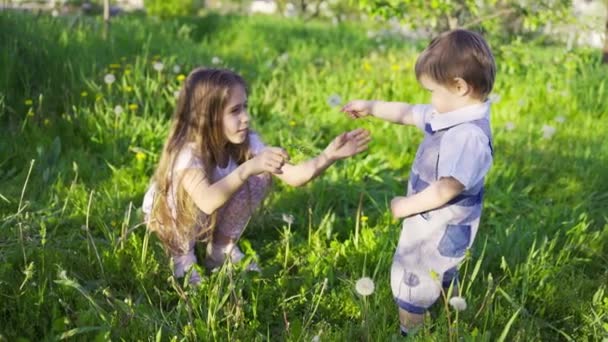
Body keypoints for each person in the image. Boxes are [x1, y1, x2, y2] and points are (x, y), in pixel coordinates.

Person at [142, 67, 370, 285]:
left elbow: (295, 176)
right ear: (207, 117)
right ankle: (182, 256)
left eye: (244, 107)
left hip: (204, 217)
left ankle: (221, 249)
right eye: (234, 111)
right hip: (172, 220)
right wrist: (248, 167)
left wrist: (329, 155)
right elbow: (207, 200)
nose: (246, 117)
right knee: (250, 173)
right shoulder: (188, 154)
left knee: (261, 175)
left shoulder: (246, 142)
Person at [342, 29, 496, 336]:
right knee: (439, 271)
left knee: (412, 275)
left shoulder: (467, 136)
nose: (430, 100)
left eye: (432, 91)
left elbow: (447, 188)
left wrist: (406, 205)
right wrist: (371, 106)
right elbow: (408, 113)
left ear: (460, 86)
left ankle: (410, 331)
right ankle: (443, 306)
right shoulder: (453, 114)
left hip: (435, 229)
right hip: (439, 225)